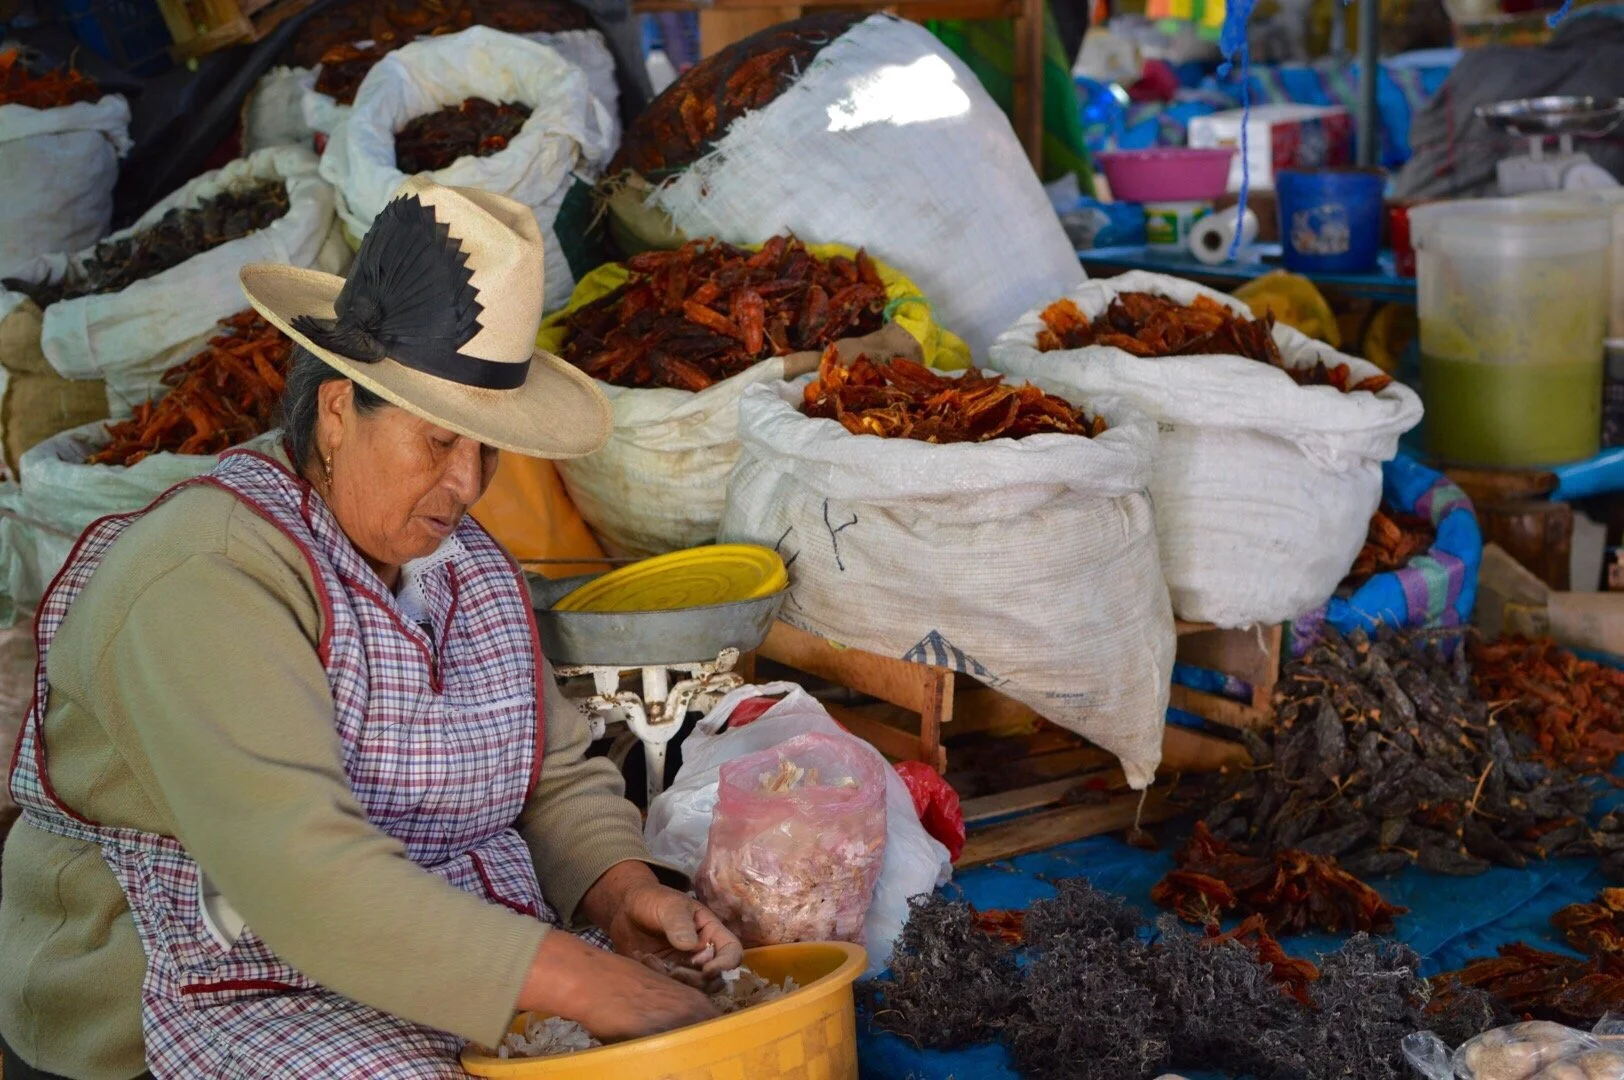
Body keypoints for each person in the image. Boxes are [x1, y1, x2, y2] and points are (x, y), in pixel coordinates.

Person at [0, 177, 742, 1080]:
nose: (469, 486)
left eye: (487, 448)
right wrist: (577, 979)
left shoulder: (462, 562)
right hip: (207, 986)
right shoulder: (209, 571)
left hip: (433, 958)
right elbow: (296, 870)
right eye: (439, 442)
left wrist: (621, 893)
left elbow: (548, 772)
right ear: (340, 410)